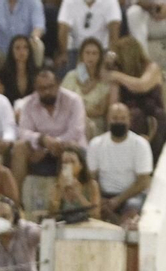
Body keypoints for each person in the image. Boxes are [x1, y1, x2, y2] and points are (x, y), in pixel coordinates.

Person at [12, 68, 87, 210]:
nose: (47, 91)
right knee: (19, 147)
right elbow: (23, 132)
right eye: (42, 88)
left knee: (70, 148)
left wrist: (52, 145)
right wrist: (42, 139)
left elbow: (76, 131)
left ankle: (67, 206)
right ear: (36, 89)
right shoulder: (28, 104)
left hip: (69, 149)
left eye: (50, 87)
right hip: (41, 153)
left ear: (58, 85)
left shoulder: (73, 100)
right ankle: (15, 205)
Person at [88, 102, 152, 226]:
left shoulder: (140, 145)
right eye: (115, 118)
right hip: (103, 195)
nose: (119, 122)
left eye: (123, 118)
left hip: (132, 195)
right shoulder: (96, 144)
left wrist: (117, 201)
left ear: (129, 120)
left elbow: (143, 181)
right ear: (108, 119)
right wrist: (99, 198)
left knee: (131, 212)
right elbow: (92, 177)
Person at [103, 37, 166, 156]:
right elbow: (113, 103)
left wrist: (116, 75)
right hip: (131, 115)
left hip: (153, 112)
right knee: (130, 116)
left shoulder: (152, 68)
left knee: (158, 118)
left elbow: (142, 85)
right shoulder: (118, 71)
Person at [62, 37, 112, 137]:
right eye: (87, 53)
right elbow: (63, 104)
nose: (90, 57)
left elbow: (100, 110)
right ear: (82, 55)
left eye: (94, 53)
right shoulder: (71, 76)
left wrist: (77, 108)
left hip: (95, 125)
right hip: (71, 122)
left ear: (100, 56)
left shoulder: (105, 80)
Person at [56, 0, 120, 62]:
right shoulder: (69, 1)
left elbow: (114, 29)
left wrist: (111, 53)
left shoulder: (110, 1)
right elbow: (63, 28)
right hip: (77, 50)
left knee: (109, 66)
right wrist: (64, 53)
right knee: (66, 69)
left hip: (102, 50)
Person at [48, 143, 98, 216]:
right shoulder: (57, 186)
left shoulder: (91, 185)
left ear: (81, 165)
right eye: (65, 162)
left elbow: (95, 214)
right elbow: (51, 215)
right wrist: (60, 189)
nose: (68, 165)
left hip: (86, 226)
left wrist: (79, 195)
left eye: (72, 162)